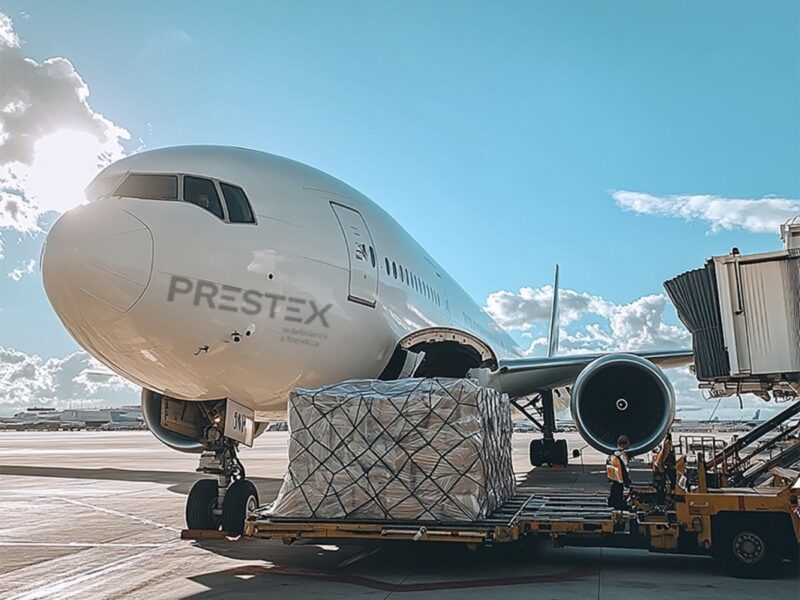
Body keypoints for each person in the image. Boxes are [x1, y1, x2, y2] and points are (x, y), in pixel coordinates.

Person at [606, 435, 632, 510]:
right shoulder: (622, 456)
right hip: (620, 482)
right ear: (625, 444)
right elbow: (625, 469)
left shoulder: (613, 454)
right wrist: (627, 482)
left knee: (615, 495)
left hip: (614, 481)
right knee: (620, 499)